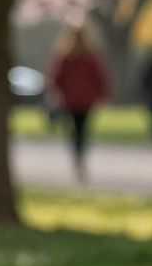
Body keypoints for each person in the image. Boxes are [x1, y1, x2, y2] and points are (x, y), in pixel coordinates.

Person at [46, 27, 108, 183]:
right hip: (86, 99)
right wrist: (101, 94)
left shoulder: (65, 55)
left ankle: (77, 156)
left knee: (74, 130)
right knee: (82, 129)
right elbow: (99, 77)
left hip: (70, 100)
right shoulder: (90, 56)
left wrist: (58, 92)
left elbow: (55, 78)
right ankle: (80, 156)